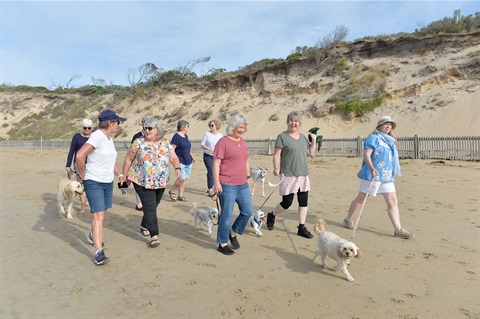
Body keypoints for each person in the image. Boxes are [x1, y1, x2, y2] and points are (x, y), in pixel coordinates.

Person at [342, 116, 415, 239]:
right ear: (379, 126)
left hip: (387, 176)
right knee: (361, 199)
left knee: (393, 201)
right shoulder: (373, 138)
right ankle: (348, 219)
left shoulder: (390, 141)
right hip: (372, 175)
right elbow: (367, 154)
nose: (388, 126)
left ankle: (398, 229)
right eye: (385, 124)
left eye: (390, 124)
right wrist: (371, 168)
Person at [76, 109, 126, 266]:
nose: (118, 125)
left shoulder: (108, 138)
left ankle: (92, 236)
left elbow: (110, 161)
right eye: (117, 122)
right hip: (94, 180)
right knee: (98, 215)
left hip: (107, 181)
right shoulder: (97, 136)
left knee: (102, 213)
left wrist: (120, 175)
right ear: (110, 123)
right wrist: (83, 175)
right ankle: (99, 252)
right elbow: (80, 155)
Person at [121, 117, 181, 248]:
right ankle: (154, 235)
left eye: (150, 128)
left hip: (161, 181)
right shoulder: (138, 142)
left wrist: (177, 168)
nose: (147, 131)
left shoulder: (165, 142)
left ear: (157, 129)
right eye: (145, 128)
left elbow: (174, 157)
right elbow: (127, 160)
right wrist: (123, 177)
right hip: (142, 181)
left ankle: (144, 224)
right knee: (149, 207)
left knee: (154, 205)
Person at [266, 111, 317, 239]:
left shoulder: (303, 138)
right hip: (288, 174)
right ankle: (272, 215)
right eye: (291, 120)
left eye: (296, 121)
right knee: (287, 203)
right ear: (287, 122)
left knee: (303, 201)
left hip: (303, 174)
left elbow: (311, 154)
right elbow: (277, 155)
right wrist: (276, 168)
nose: (293, 123)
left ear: (299, 123)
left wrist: (314, 140)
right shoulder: (282, 137)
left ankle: (301, 227)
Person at [213, 114, 253, 255]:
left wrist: (248, 177)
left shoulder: (243, 142)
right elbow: (216, 163)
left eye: (244, 127)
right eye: (239, 127)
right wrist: (216, 183)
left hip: (242, 183)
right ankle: (222, 243)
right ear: (232, 127)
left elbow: (246, 161)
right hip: (227, 184)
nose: (242, 130)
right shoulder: (223, 142)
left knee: (248, 211)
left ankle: (233, 231)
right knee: (226, 215)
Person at [65, 118, 93, 214]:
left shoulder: (94, 137)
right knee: (81, 184)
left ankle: (87, 199)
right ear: (82, 127)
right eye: (85, 128)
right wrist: (68, 164)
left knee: (89, 183)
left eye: (89, 128)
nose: (87, 130)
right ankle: (82, 207)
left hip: (91, 163)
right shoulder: (77, 137)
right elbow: (72, 151)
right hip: (79, 163)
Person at [168, 120, 195, 202]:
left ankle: (181, 195)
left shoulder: (186, 136)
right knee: (181, 178)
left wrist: (192, 156)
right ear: (183, 127)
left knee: (185, 179)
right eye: (187, 126)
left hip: (188, 161)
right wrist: (170, 159)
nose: (188, 128)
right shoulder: (176, 136)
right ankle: (172, 191)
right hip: (180, 161)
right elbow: (172, 149)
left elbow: (187, 147)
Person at [130, 117, 149, 211]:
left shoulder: (151, 136)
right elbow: (131, 150)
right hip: (138, 164)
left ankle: (146, 201)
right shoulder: (137, 136)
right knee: (139, 184)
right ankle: (139, 203)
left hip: (148, 164)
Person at [200, 119, 223, 196]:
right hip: (208, 155)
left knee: (218, 171)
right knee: (211, 170)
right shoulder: (207, 134)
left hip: (217, 156)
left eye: (212, 125)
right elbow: (202, 144)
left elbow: (223, 145)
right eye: (210, 125)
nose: (211, 127)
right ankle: (210, 188)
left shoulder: (220, 135)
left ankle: (216, 186)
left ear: (216, 126)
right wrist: (209, 149)